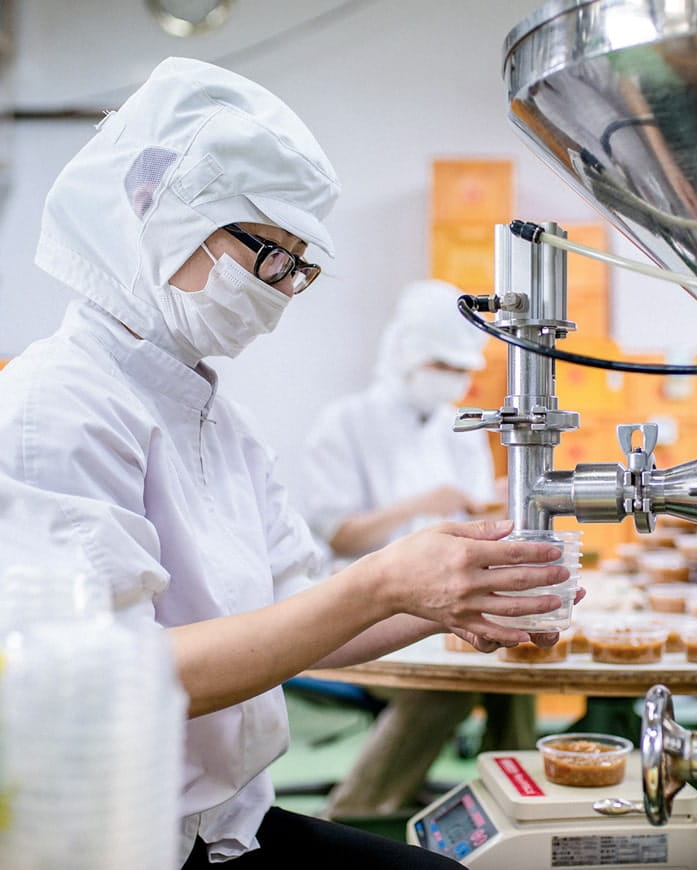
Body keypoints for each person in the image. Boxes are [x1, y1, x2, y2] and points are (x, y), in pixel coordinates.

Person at [0, 57, 578, 869]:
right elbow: (126, 676)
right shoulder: (55, 405)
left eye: (297, 267)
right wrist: (384, 579)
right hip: (120, 840)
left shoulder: (216, 421)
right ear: (153, 206)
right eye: (268, 254)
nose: (280, 288)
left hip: (223, 823)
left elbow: (296, 612)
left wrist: (450, 596)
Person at [299, 278, 537, 818]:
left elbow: (478, 516)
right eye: (441, 365)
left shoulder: (463, 427)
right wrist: (419, 503)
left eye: (460, 369)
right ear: (405, 353)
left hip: (450, 601)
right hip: (365, 610)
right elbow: (340, 536)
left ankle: (518, 809)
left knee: (515, 668)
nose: (451, 379)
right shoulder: (347, 422)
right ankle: (360, 814)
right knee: (449, 685)